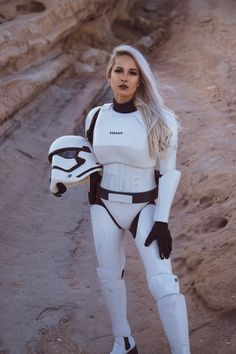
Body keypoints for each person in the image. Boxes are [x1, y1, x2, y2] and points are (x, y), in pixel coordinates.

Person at [48, 44, 191, 354]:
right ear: (108, 75)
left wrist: (163, 222)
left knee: (163, 284)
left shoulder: (161, 119)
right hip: (104, 207)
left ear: (140, 79)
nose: (124, 78)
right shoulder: (95, 117)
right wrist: (62, 181)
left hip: (146, 208)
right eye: (119, 71)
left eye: (132, 72)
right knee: (109, 274)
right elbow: (88, 163)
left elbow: (168, 173)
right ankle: (123, 341)